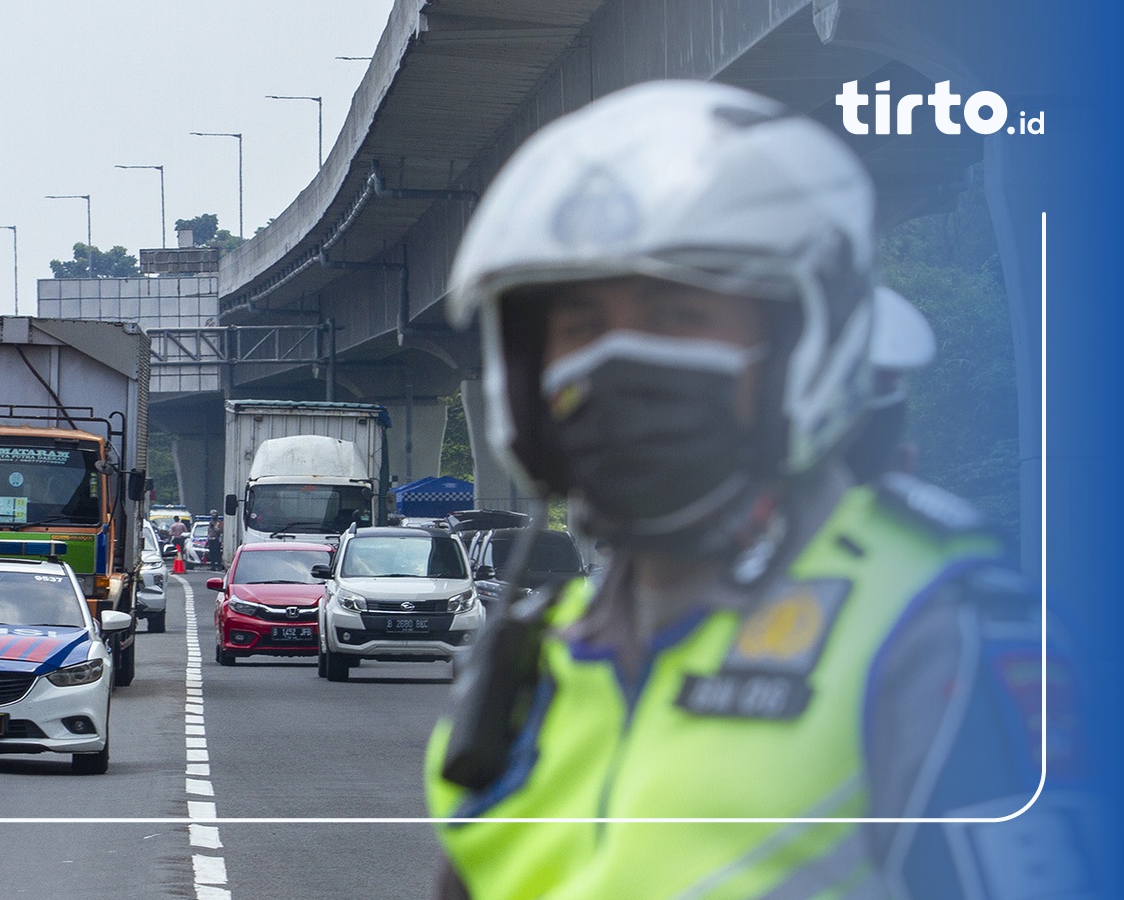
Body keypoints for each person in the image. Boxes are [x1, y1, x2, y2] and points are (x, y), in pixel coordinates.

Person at [424, 81, 1090, 898]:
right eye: (582, 328)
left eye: (677, 315)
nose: (618, 365)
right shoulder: (534, 659)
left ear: (796, 344)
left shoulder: (932, 626)